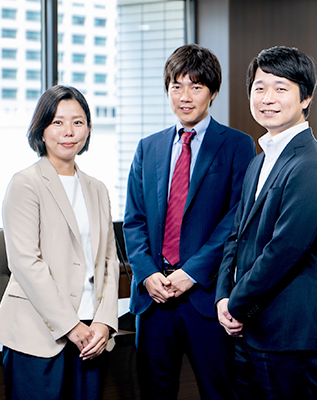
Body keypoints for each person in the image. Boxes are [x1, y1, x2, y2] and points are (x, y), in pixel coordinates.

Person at [123, 44, 256, 399]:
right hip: (154, 299)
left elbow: (237, 218)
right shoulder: (147, 147)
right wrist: (147, 273)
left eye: (195, 87)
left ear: (212, 92)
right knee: (155, 393)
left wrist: (191, 272)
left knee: (219, 392)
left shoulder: (237, 145)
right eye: (176, 86)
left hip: (205, 297)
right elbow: (133, 221)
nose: (185, 97)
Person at [215, 46, 317, 399]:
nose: (267, 98)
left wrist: (235, 305)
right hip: (247, 330)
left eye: (280, 88)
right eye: (259, 88)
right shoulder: (259, 160)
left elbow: (284, 251)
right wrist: (222, 296)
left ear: (306, 97)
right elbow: (235, 237)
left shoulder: (312, 163)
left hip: (286, 334)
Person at [0, 85, 120, 400]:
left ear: (88, 128)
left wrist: (104, 322)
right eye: (57, 122)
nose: (68, 131)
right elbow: (25, 263)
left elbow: (109, 261)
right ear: (42, 129)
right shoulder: (25, 183)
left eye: (78, 122)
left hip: (91, 337)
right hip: (39, 336)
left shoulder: (97, 189)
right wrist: (71, 325)